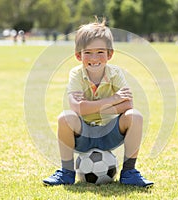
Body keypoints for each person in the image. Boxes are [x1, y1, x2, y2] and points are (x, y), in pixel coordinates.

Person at [43, 18, 154, 187]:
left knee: (135, 116)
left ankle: (129, 172)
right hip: (83, 134)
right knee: (65, 118)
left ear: (110, 54)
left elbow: (128, 105)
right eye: (88, 52)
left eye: (100, 52)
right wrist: (113, 100)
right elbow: (77, 108)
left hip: (110, 133)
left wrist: (91, 108)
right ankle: (66, 172)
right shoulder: (76, 74)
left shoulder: (115, 74)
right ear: (78, 55)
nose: (94, 58)